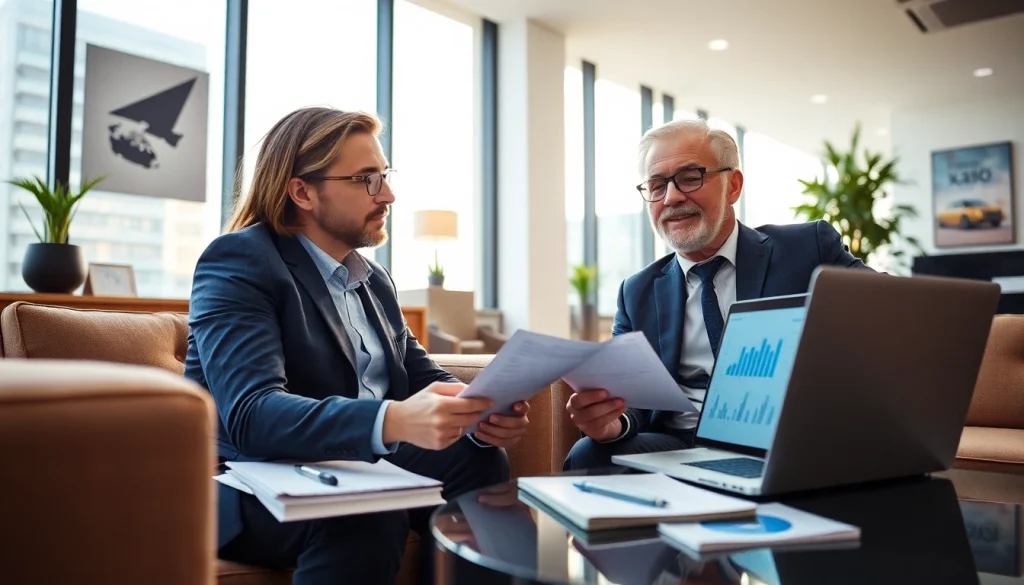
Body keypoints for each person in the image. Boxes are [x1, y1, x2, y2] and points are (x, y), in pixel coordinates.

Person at [185, 106, 531, 585]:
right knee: (368, 511)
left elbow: (419, 374)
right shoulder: (241, 260)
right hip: (247, 476)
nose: (387, 194)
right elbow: (251, 413)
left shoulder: (373, 279)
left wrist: (478, 409)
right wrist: (393, 419)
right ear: (303, 192)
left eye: (384, 176)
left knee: (477, 457)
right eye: (367, 179)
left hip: (349, 464)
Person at [562, 118, 870, 471]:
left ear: (733, 186)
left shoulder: (806, 250)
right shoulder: (637, 291)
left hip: (786, 438)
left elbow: (892, 310)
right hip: (679, 443)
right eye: (657, 185)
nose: (672, 197)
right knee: (588, 454)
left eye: (690, 177)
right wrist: (611, 424)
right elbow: (633, 400)